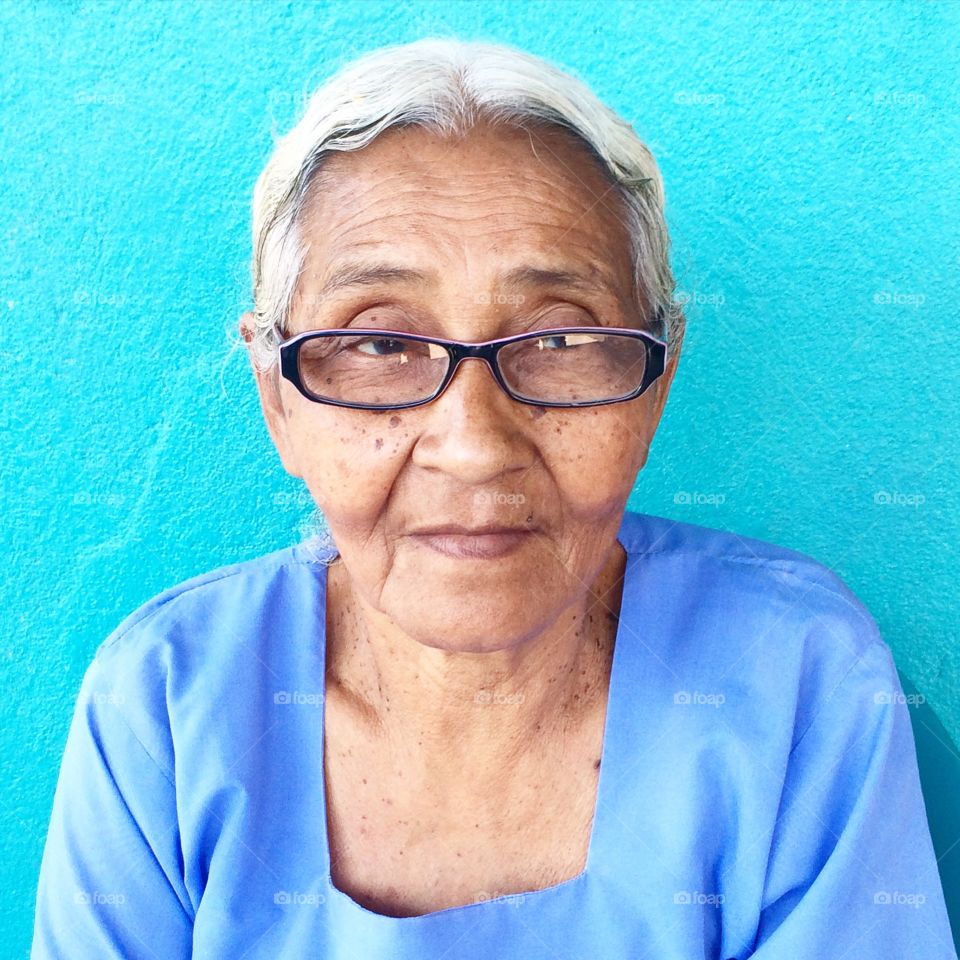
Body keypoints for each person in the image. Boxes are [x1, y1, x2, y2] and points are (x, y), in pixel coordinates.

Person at [31, 36, 956, 959]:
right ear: (277, 398)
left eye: (559, 341)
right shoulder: (169, 700)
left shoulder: (795, 678)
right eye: (381, 342)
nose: (474, 448)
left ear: (657, 382)